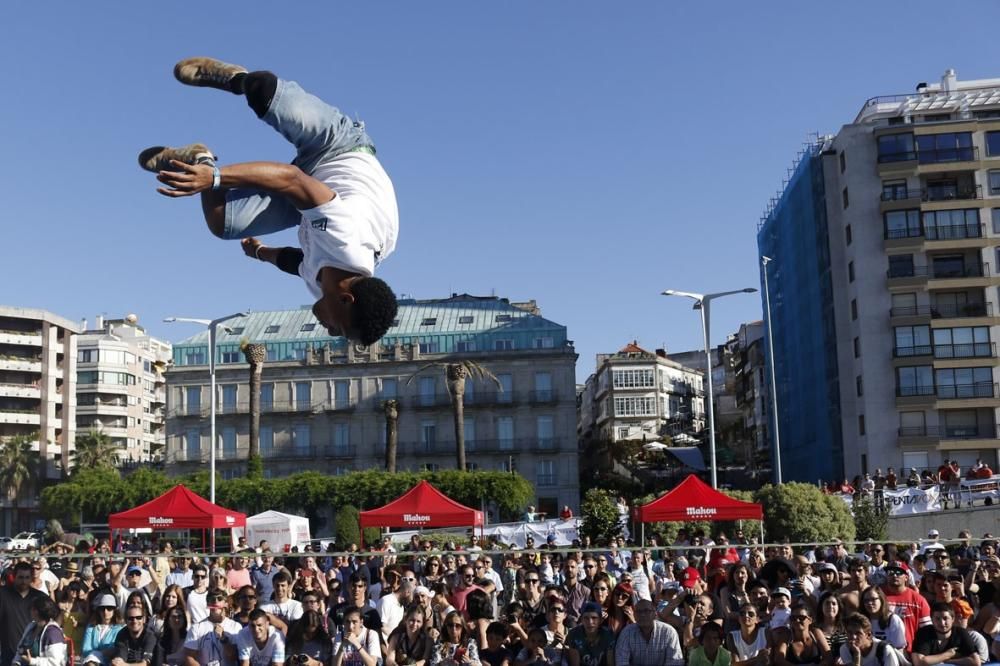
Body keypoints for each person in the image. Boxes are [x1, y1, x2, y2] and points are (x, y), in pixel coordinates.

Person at [141, 56, 399, 345]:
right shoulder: (347, 237)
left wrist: (260, 252)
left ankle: (199, 157)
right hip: (340, 148)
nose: (329, 331)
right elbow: (290, 179)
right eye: (339, 330)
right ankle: (235, 79)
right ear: (347, 299)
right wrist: (214, 178)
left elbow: (296, 263)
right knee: (263, 91)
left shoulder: (328, 286)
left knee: (221, 222)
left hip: (310, 204)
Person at [0, 561, 53, 666]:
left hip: (33, 654)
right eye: (20, 577)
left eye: (27, 577)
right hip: (8, 652)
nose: (24, 581)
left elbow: (55, 616)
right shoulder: (3, 594)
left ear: (31, 578)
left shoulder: (40, 597)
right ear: (14, 577)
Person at [182, 588, 242, 666]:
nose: (215, 601)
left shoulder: (235, 627)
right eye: (212, 599)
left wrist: (223, 639)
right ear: (207, 603)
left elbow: (234, 657)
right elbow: (189, 657)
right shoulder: (196, 628)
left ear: (226, 604)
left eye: (220, 599)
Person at [613, 599, 683, 666]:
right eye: (638, 612)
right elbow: (621, 662)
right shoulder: (627, 633)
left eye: (646, 611)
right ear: (634, 615)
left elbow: (675, 662)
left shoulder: (668, 632)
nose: (642, 614)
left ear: (655, 614)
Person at [910, 603, 981, 666]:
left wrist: (946, 661)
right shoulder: (924, 633)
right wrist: (948, 654)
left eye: (945, 618)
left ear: (953, 619)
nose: (942, 623)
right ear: (932, 620)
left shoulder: (961, 633)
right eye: (937, 619)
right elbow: (918, 662)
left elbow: (976, 662)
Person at [881, 561, 930, 649]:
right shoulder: (877, 595)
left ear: (906, 577)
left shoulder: (919, 600)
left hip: (908, 651)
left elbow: (927, 630)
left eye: (899, 573)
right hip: (882, 649)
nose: (894, 575)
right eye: (890, 572)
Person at [565, 602, 615, 666]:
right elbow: (575, 664)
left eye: (594, 618)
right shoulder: (574, 634)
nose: (590, 622)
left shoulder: (608, 635)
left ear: (600, 620)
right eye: (586, 618)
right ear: (582, 620)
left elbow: (610, 663)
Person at [82, 593, 125, 665]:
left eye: (109, 608)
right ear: (98, 610)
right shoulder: (91, 627)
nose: (105, 612)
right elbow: (85, 649)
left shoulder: (120, 629)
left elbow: (115, 649)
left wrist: (97, 653)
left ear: (114, 610)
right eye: (102, 608)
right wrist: (101, 653)